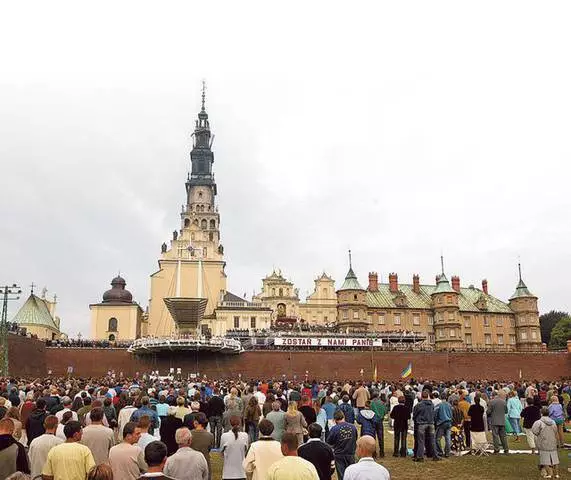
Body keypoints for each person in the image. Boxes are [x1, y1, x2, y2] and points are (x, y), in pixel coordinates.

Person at [326, 410, 357, 479]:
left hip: (339, 455)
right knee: (352, 475)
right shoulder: (353, 427)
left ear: (335, 419)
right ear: (344, 416)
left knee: (342, 476)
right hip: (351, 454)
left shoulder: (334, 429)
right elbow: (355, 439)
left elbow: (329, 442)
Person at [532, 406, 560, 479]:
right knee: (554, 459)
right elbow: (555, 431)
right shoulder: (553, 422)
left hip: (543, 442)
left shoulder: (538, 422)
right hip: (553, 442)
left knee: (545, 460)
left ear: (541, 413)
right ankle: (556, 474)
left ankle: (549, 474)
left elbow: (534, 431)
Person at [412, 390, 439, 461]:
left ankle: (420, 457)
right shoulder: (432, 404)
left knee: (421, 440)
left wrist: (416, 420)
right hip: (431, 423)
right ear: (428, 396)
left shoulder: (419, 405)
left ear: (421, 396)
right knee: (432, 440)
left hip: (421, 423)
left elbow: (415, 414)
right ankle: (435, 455)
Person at [220, 415, 249, 480]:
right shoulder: (245, 436)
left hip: (228, 474)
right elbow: (246, 451)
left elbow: (221, 452)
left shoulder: (225, 436)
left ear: (230, 423)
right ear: (240, 423)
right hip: (240, 473)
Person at [190, 413, 214, 479]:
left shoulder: (189, 434)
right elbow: (209, 448)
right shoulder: (210, 436)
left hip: (192, 462)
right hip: (205, 461)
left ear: (196, 422)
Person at [487, 390, 509, 454]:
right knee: (503, 436)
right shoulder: (504, 402)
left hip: (494, 421)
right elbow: (506, 411)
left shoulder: (492, 402)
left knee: (495, 436)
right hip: (502, 421)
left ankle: (496, 449)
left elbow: (488, 411)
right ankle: (506, 449)